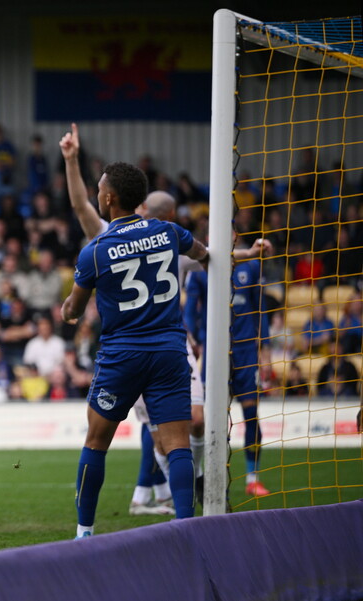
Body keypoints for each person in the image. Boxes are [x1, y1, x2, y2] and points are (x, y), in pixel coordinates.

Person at [62, 160, 210, 538]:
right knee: (178, 446)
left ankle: (84, 532)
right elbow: (205, 254)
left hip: (121, 357)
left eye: (99, 188)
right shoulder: (168, 231)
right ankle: (186, 530)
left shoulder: (95, 251)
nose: (97, 193)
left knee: (96, 443)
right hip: (168, 352)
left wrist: (67, 310)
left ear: (109, 197)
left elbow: (75, 310)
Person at [184, 232, 273, 498]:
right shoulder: (202, 266)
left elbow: (261, 308)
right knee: (213, 418)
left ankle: (252, 477)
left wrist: (265, 349)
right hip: (214, 351)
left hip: (245, 351)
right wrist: (195, 341)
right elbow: (190, 311)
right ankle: (211, 476)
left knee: (251, 413)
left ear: (234, 234)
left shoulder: (252, 266)